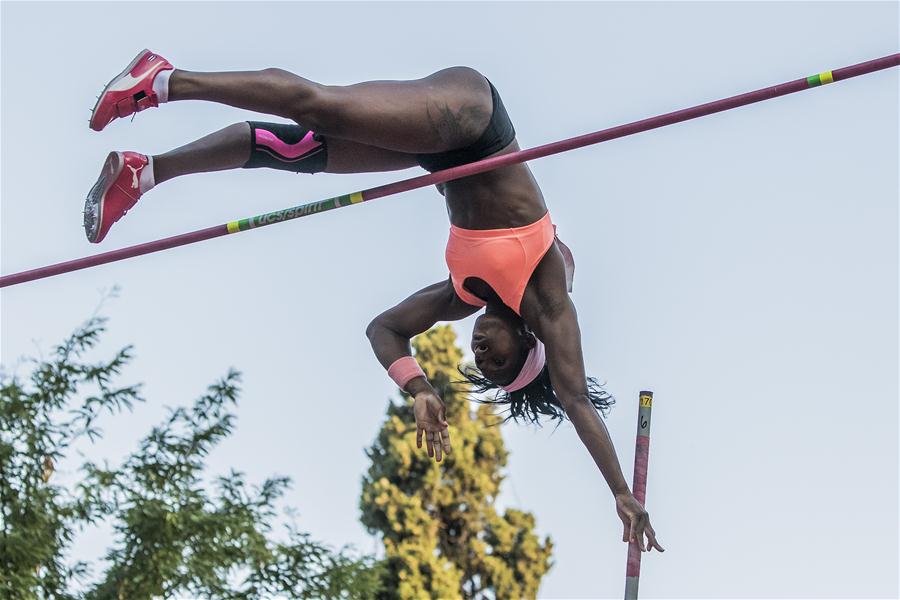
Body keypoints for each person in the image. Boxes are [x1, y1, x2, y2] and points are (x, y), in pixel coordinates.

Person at [86, 49, 664, 553]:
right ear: (529, 342)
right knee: (319, 106)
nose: (482, 352)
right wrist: (620, 491)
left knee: (288, 148)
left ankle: (145, 173)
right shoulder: (547, 296)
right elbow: (575, 396)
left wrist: (419, 389)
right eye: (499, 359)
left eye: (481, 362)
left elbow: (383, 329)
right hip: (473, 119)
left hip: (439, 155)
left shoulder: (461, 298)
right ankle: (164, 80)